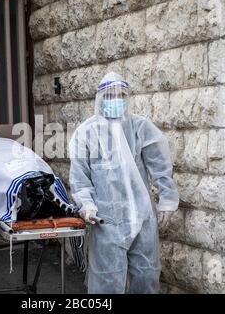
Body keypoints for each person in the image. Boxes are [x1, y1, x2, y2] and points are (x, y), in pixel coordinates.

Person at [69, 72, 179, 294]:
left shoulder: (140, 127)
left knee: (146, 275)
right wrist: (86, 206)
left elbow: (160, 165)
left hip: (142, 217)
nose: (116, 100)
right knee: (107, 280)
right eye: (110, 95)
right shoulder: (86, 133)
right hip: (107, 221)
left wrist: (167, 199)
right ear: (100, 99)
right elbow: (80, 178)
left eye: (121, 95)